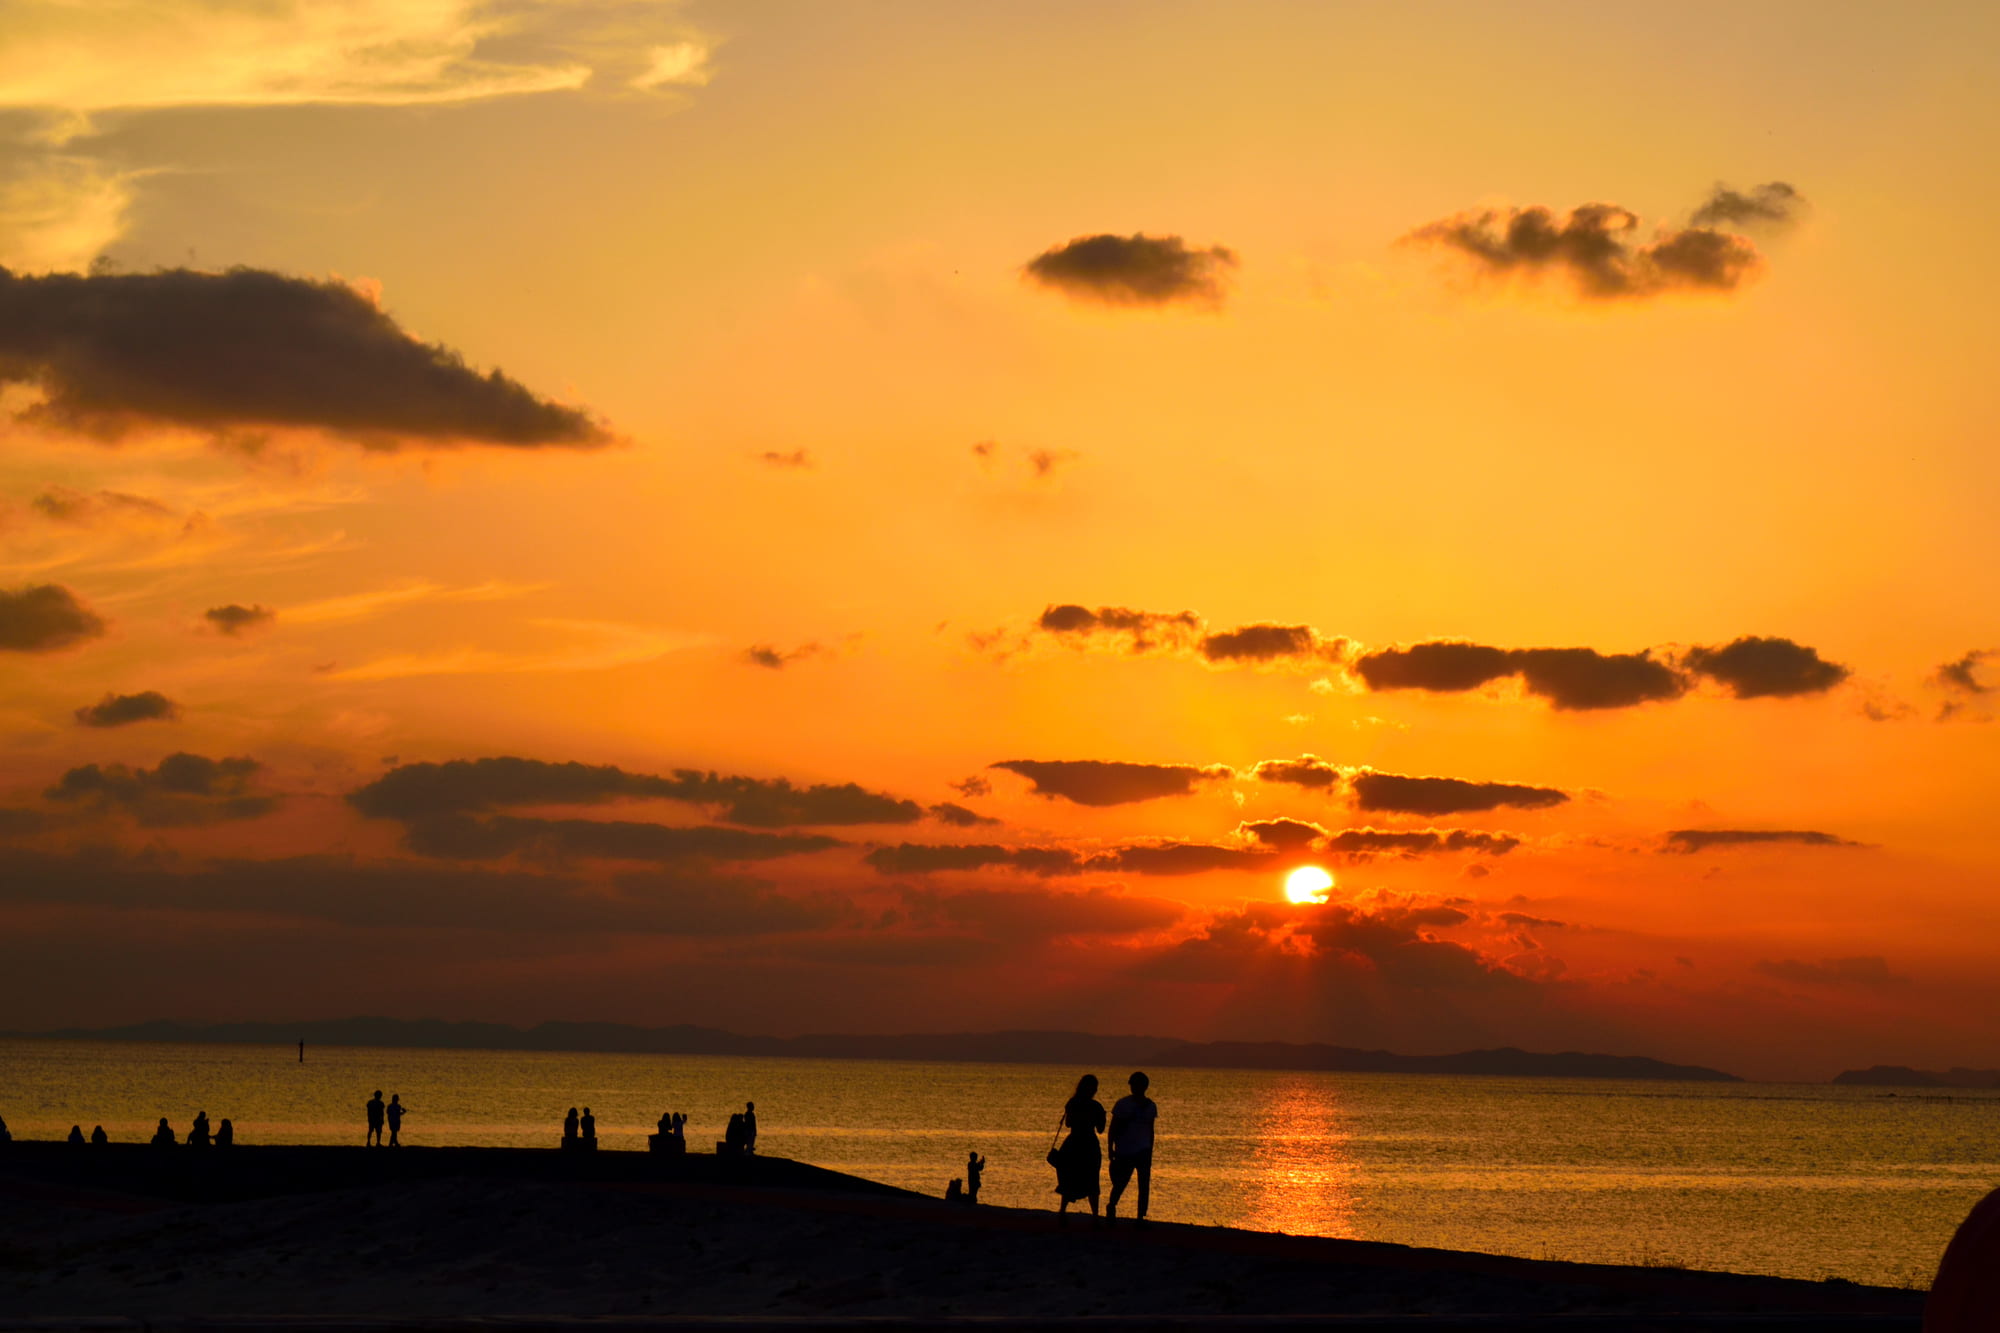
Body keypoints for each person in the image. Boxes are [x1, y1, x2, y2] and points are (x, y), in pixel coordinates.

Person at [1107, 1071, 1158, 1224]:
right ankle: (1112, 1205)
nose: (1135, 1087)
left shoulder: (1151, 1106)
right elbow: (1113, 1127)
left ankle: (1140, 1216)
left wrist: (1150, 1149)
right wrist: (1110, 1147)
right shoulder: (1122, 1104)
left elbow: (1151, 1129)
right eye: (1133, 1084)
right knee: (1121, 1182)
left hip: (1143, 1150)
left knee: (1144, 1185)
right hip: (1125, 1149)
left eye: (1138, 1085)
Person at [1052, 1074, 1105, 1218]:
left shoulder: (1072, 1103)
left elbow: (1068, 1124)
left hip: (1073, 1143)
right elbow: (1101, 1129)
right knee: (1092, 1180)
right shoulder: (1096, 1106)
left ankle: (1062, 1212)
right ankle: (1095, 1216)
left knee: (1069, 1178)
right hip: (1089, 1145)